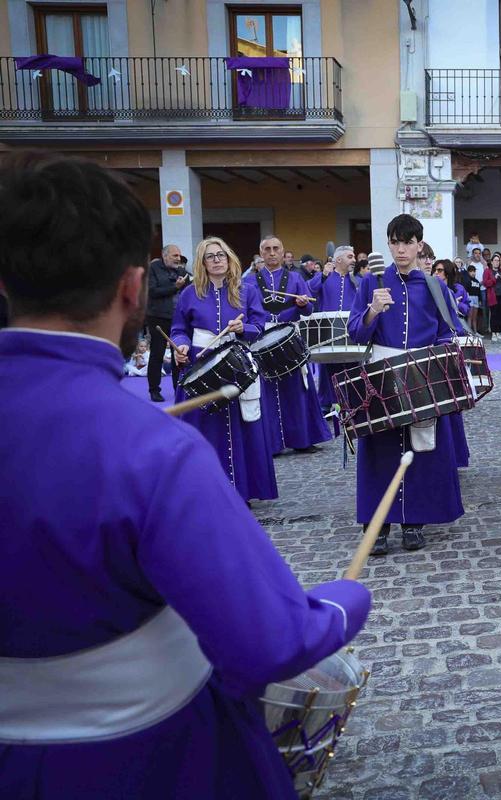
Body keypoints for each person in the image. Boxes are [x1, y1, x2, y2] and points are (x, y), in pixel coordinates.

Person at [0, 151, 371, 800]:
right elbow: (269, 646)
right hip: (150, 763)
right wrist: (341, 607)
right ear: (132, 289)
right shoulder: (152, 450)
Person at [347, 214, 464, 554]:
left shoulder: (434, 285)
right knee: (379, 451)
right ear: (388, 243)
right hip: (381, 377)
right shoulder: (371, 283)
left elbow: (448, 332)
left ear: (419, 245)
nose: (401, 249)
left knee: (420, 450)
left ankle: (414, 521)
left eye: (408, 242)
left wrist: (438, 358)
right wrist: (372, 312)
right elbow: (355, 332)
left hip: (422, 377)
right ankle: (377, 525)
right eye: (395, 242)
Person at [172, 237, 279, 503]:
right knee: (205, 426)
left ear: (229, 258)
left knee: (238, 427)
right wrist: (181, 347)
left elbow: (259, 325)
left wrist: (244, 329)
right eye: (210, 256)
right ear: (202, 262)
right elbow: (179, 330)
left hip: (236, 365)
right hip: (200, 364)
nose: (217, 260)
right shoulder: (189, 293)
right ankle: (206, 490)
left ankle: (241, 490)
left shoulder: (247, 290)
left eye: (221, 254)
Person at [255, 236, 332, 455]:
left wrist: (303, 304)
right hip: (263, 339)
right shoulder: (251, 281)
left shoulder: (296, 278)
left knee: (298, 387)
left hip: (290, 336)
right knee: (267, 391)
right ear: (261, 254)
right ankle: (272, 443)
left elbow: (308, 310)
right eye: (267, 249)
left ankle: (302, 439)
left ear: (282, 252)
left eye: (276, 249)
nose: (271, 253)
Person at [308, 245, 360, 418]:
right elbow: (310, 290)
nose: (354, 260)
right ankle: (326, 402)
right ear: (338, 260)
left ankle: (352, 401)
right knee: (328, 368)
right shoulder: (324, 276)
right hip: (327, 330)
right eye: (350, 257)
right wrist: (323, 274)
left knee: (352, 365)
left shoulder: (356, 279)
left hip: (350, 330)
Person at [434, 258, 472, 469]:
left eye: (441, 270)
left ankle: (454, 457)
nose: (438, 273)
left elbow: (466, 308)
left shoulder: (456, 288)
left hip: (455, 335)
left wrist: (458, 304)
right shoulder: (431, 287)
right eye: (435, 270)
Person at [145, 244, 189, 401]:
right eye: (175, 255)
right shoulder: (153, 268)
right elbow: (152, 291)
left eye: (179, 255)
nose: (178, 259)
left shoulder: (182, 271)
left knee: (179, 353)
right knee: (157, 353)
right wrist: (174, 287)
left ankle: (179, 388)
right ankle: (154, 390)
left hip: (178, 318)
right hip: (157, 317)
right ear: (165, 256)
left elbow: (188, 290)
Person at [483, 252, 501, 341]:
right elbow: (486, 283)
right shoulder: (487, 271)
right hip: (493, 296)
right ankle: (493, 334)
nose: (497, 262)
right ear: (491, 262)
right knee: (494, 315)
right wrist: (494, 278)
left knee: (500, 315)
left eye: (498, 261)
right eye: (495, 260)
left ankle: (498, 333)